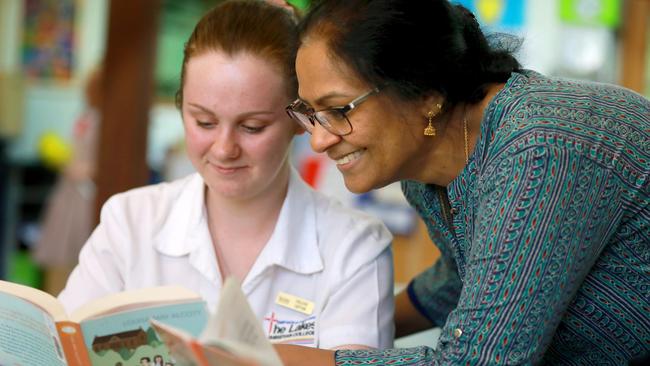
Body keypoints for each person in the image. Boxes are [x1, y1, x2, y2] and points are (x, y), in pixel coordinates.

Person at [277, 0, 650, 364]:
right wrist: (336, 324)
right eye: (310, 113)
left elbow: (482, 357)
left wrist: (273, 360)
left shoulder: (537, 147)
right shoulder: (425, 166)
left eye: (339, 110)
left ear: (427, 93)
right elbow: (467, 281)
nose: (319, 139)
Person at [58, 0, 394, 350]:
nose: (223, 149)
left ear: (300, 120)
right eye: (204, 121)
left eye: (252, 127)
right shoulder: (129, 222)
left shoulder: (354, 248)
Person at [33, 65, 103, 293]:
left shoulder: (107, 121)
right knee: (60, 254)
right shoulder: (86, 116)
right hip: (70, 191)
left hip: (87, 193)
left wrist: (88, 169)